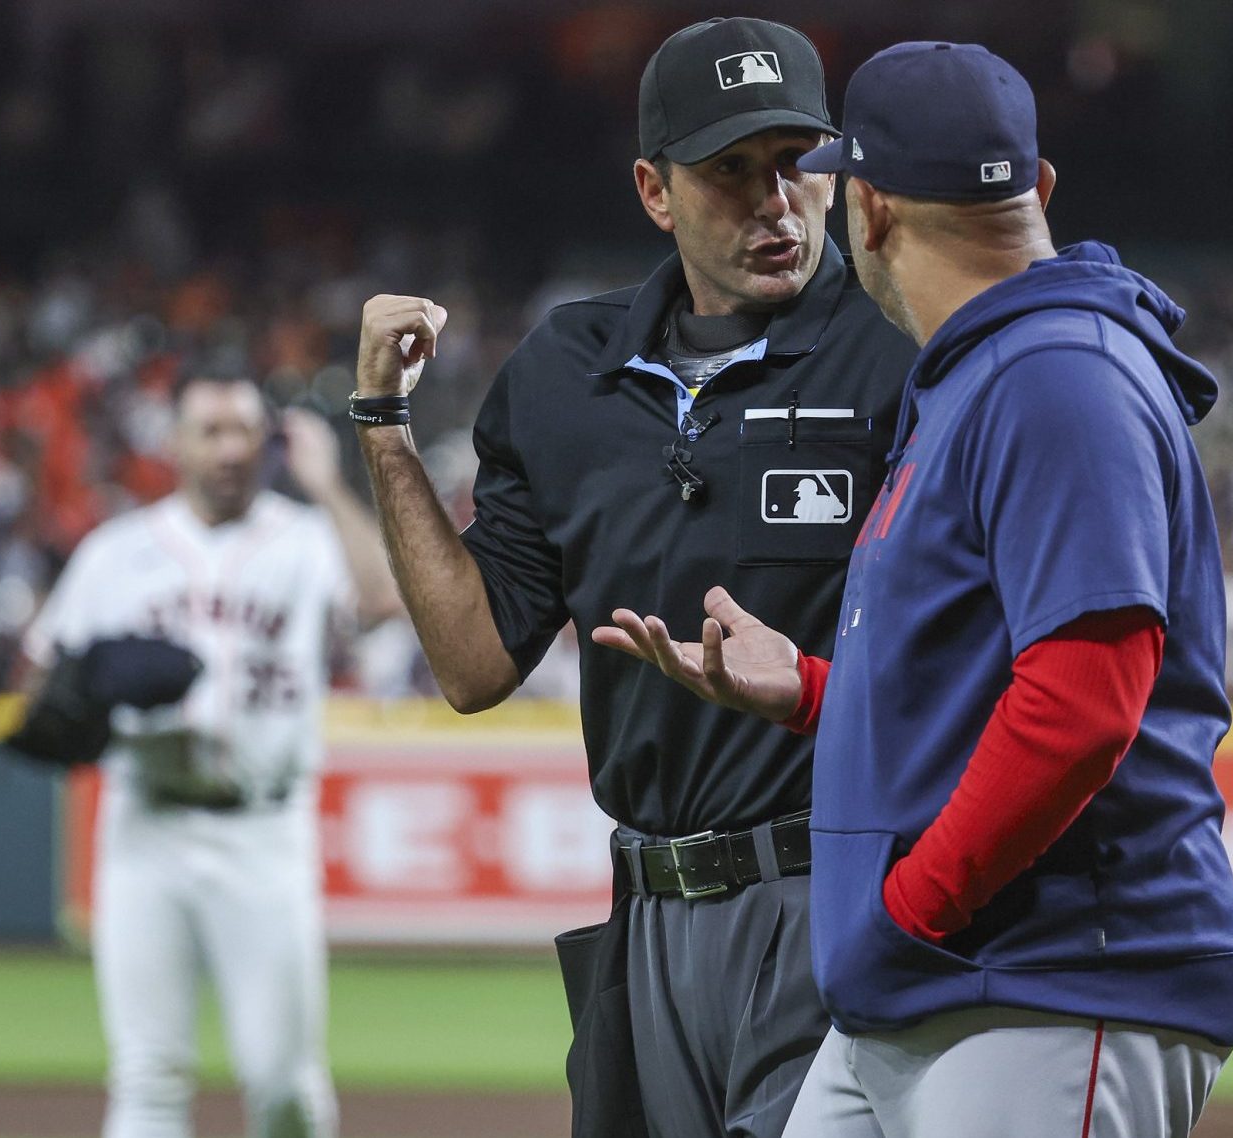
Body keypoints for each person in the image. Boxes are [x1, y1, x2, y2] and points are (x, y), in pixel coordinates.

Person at [595, 41, 1233, 1138]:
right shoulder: (991, 372)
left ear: (870, 208)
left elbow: (1085, 697)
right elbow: (973, 679)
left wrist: (914, 908)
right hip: (935, 989)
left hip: (1047, 980)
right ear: (1037, 189)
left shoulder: (1056, 373)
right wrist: (810, 689)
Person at [348, 17, 915, 1138]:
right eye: (730, 171)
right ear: (655, 192)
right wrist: (383, 429)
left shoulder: (896, 354)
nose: (775, 200)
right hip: (647, 912)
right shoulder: (563, 375)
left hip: (833, 893)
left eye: (796, 162)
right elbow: (470, 664)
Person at [21, 375, 402, 1138]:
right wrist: (94, 691)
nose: (231, 448)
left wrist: (327, 484)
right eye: (211, 430)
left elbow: (384, 597)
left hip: (263, 827)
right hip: (145, 829)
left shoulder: (305, 536)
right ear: (175, 443)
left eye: (245, 431)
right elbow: (42, 677)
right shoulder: (116, 553)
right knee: (148, 1076)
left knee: (284, 1082)